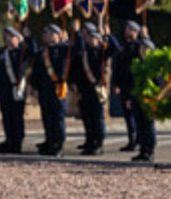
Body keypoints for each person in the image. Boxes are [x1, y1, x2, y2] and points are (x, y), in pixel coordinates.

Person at [71, 23, 115, 155]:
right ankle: (90, 142)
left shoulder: (102, 52)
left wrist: (108, 35)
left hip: (96, 90)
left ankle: (98, 143)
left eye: (93, 38)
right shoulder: (83, 54)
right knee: (87, 118)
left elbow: (115, 48)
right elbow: (75, 69)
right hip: (84, 90)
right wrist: (73, 83)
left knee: (97, 118)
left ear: (98, 39)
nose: (90, 40)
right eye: (88, 38)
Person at [0, 26, 32, 154]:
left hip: (18, 88)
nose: (7, 38)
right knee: (6, 116)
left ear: (17, 38)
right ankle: (9, 139)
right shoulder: (2, 52)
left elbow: (34, 51)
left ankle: (17, 142)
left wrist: (27, 38)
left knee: (17, 116)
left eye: (10, 36)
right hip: (5, 89)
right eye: (6, 36)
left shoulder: (22, 51)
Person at [33, 24, 71, 156]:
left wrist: (75, 34)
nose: (46, 36)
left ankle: (58, 145)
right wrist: (35, 87)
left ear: (58, 35)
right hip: (45, 89)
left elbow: (77, 49)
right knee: (47, 117)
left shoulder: (64, 49)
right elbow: (36, 71)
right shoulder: (42, 52)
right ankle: (49, 142)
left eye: (50, 33)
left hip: (58, 88)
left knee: (57, 117)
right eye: (45, 33)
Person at [123, 23, 158, 162]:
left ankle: (150, 151)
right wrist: (130, 98)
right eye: (142, 48)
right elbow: (133, 83)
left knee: (149, 126)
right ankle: (143, 151)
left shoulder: (154, 65)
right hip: (137, 98)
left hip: (149, 98)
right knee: (140, 125)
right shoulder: (137, 64)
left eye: (147, 48)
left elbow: (158, 84)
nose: (143, 51)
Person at [112, 21, 144, 152]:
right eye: (126, 28)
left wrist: (146, 38)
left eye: (130, 29)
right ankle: (132, 139)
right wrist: (116, 83)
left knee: (135, 115)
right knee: (127, 115)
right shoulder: (123, 47)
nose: (126, 31)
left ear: (136, 32)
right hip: (124, 84)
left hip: (134, 85)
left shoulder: (139, 47)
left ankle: (138, 140)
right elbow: (118, 67)